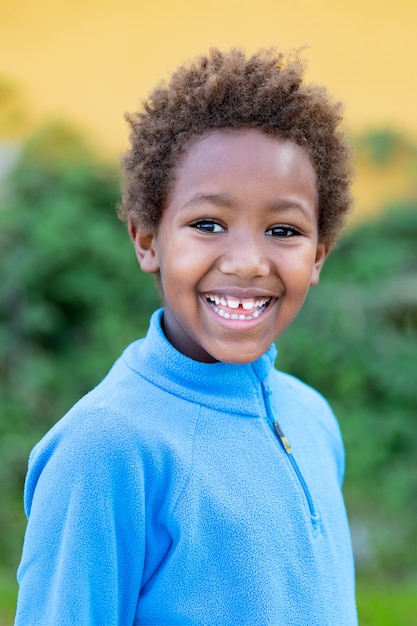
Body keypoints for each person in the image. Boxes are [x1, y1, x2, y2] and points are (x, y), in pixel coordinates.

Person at [15, 48, 357, 625]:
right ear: (148, 239)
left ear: (318, 254)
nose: (248, 262)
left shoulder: (313, 418)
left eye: (283, 229)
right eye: (207, 224)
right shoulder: (105, 450)